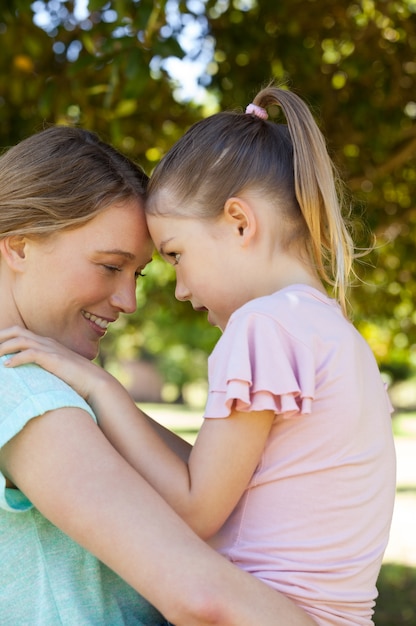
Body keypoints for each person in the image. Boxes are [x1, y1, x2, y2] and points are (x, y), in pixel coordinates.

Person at [0, 125, 318, 626]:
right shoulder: (25, 391)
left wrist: (103, 390)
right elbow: (204, 599)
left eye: (138, 274)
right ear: (18, 246)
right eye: (109, 266)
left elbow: (215, 497)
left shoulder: (49, 380)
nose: (128, 302)